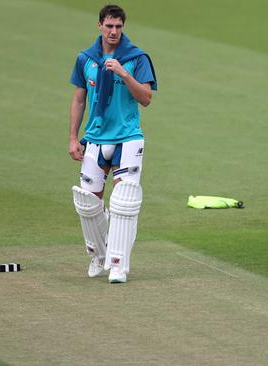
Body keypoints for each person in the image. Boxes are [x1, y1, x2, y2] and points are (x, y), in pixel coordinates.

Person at [69, 5, 157, 284]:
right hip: (95, 137)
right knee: (87, 203)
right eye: (109, 26)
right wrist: (73, 137)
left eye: (118, 26)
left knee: (123, 202)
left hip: (127, 136)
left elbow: (145, 98)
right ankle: (99, 255)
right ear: (99, 26)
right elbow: (79, 99)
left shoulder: (136, 58)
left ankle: (118, 264)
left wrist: (123, 73)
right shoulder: (86, 58)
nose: (114, 31)